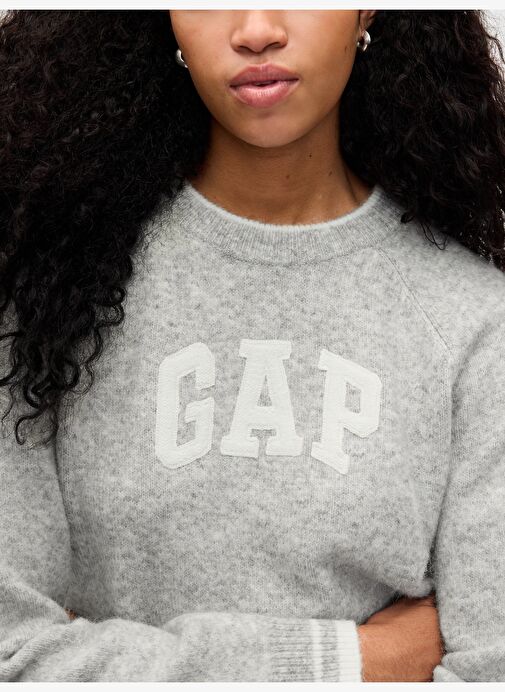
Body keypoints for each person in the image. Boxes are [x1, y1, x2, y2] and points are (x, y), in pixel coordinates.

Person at [0, 8, 504, 683]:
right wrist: (352, 660)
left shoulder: (476, 326)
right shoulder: (46, 293)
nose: (256, 29)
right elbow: (11, 654)